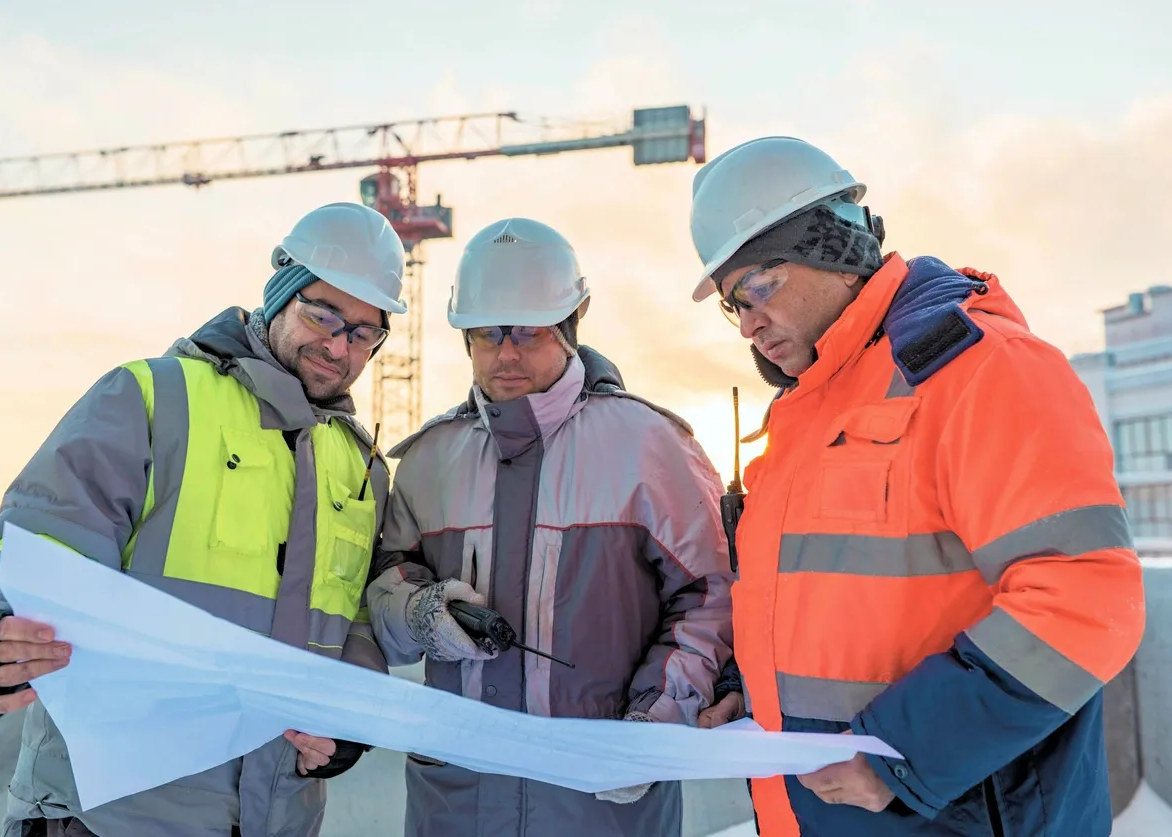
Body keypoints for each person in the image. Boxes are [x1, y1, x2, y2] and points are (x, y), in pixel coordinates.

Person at [687, 136, 1148, 837]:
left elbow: (1085, 596)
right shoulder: (803, 418)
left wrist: (905, 755)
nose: (747, 321)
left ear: (831, 248)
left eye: (760, 285)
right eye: (730, 303)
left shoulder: (980, 371)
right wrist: (744, 693)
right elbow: (819, 610)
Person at [0, 202, 407, 837]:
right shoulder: (153, 396)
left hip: (276, 816)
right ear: (278, 297)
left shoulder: (362, 467)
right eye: (322, 313)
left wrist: (352, 714)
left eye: (362, 332)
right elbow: (43, 534)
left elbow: (349, 618)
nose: (337, 344)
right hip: (111, 813)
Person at [366, 217, 736, 837]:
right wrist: (420, 612)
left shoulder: (650, 446)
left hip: (600, 802)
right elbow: (381, 586)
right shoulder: (429, 460)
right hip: (456, 804)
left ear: (570, 326)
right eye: (487, 333)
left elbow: (711, 598)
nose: (506, 353)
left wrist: (654, 725)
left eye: (527, 332)